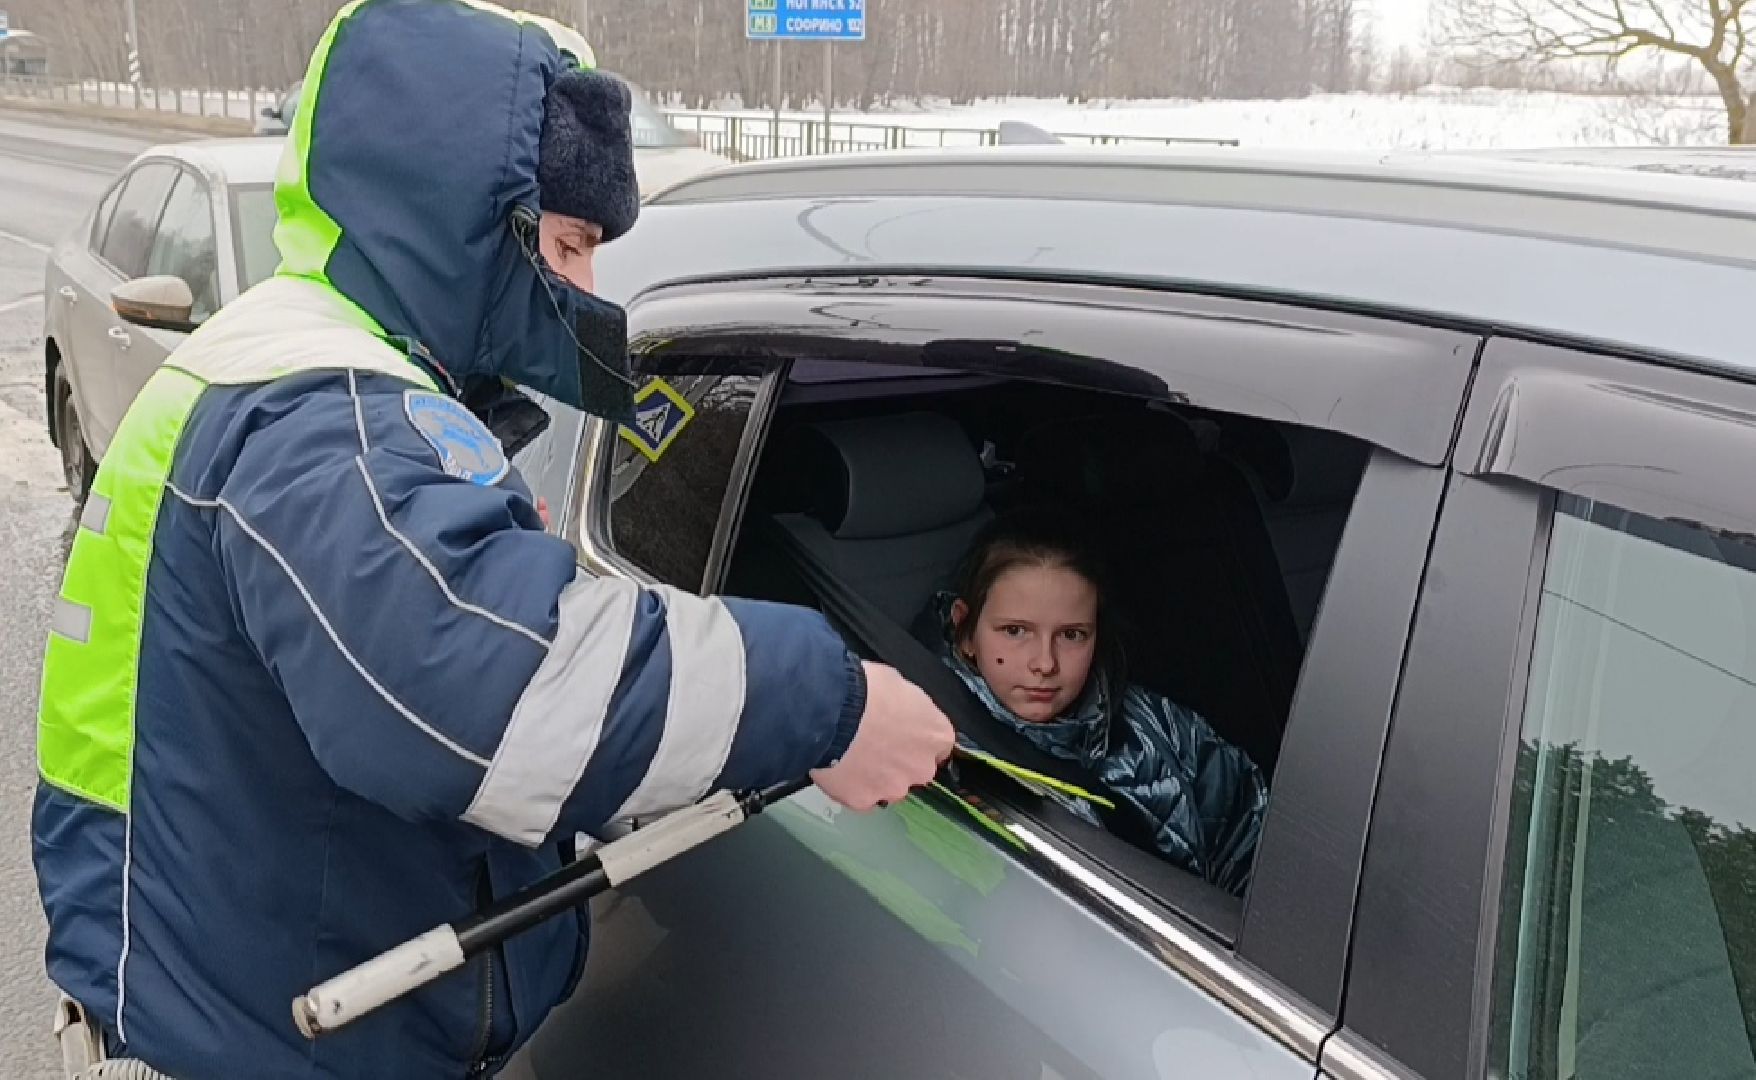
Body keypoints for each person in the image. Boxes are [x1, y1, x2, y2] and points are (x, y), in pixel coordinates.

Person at [32, 3, 952, 1077]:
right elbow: (494, 689)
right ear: (460, 223)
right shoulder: (323, 419)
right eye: (565, 244)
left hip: (255, 1002)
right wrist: (832, 701)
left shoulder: (309, 370)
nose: (585, 290)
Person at [929, 509, 1267, 896]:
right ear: (965, 631)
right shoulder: (937, 757)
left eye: (1072, 635)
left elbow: (1249, 834)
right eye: (1015, 631)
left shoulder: (1156, 724)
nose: (1045, 663)